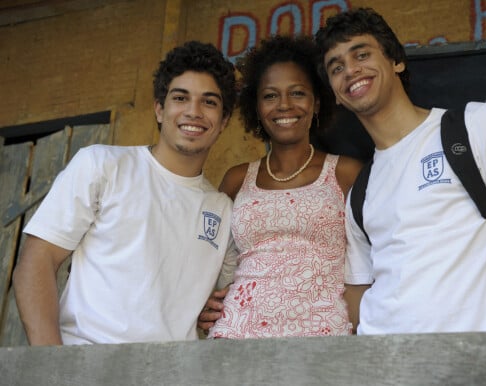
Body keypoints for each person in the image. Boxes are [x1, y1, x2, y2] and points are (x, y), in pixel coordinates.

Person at [314, 7, 486, 334]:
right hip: (390, 371)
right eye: (336, 67)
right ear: (335, 94)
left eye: (361, 54)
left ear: (396, 61)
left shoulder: (475, 124)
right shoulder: (360, 193)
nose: (350, 70)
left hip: (484, 361)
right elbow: (358, 291)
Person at [12, 40, 238, 345]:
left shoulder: (222, 210)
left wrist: (208, 311)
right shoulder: (102, 165)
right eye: (180, 97)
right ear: (160, 109)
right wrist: (53, 365)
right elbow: (37, 260)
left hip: (174, 374)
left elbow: (232, 297)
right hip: (86, 363)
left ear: (223, 121)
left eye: (209, 102)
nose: (193, 112)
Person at [199, 35, 363, 338]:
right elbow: (209, 258)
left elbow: (369, 262)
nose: (284, 105)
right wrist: (200, 300)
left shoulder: (346, 172)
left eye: (298, 93)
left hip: (323, 337)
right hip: (236, 337)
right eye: (270, 96)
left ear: (316, 103)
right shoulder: (237, 179)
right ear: (256, 108)